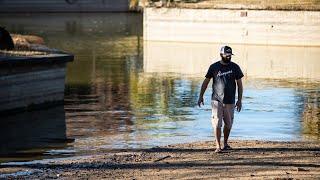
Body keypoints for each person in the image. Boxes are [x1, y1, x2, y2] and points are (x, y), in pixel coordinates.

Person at [198, 45, 244, 153]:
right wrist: (201, 96)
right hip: (216, 100)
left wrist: (239, 100)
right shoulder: (214, 67)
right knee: (217, 123)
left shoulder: (235, 67)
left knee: (228, 124)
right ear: (221, 54)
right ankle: (218, 146)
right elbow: (206, 82)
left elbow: (240, 85)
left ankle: (226, 143)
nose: (228, 57)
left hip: (230, 101)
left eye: (230, 55)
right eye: (226, 55)